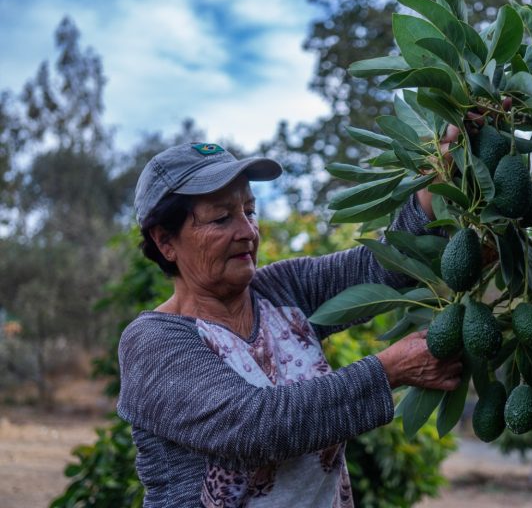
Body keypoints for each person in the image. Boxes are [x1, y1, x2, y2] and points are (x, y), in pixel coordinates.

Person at [117, 142, 463, 507]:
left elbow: (381, 266)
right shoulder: (153, 342)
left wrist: (445, 160)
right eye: (221, 218)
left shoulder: (284, 289)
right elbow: (255, 427)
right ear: (165, 241)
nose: (248, 231)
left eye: (250, 211)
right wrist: (387, 371)